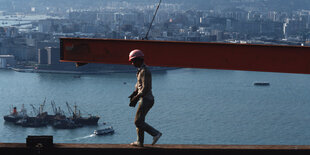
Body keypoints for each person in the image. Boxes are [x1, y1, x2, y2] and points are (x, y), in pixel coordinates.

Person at [128, 49, 162, 147]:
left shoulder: (145, 71)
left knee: (137, 121)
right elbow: (139, 85)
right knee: (140, 121)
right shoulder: (140, 71)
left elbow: (146, 88)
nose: (132, 64)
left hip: (146, 99)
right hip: (145, 99)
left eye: (133, 61)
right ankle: (140, 142)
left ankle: (155, 133)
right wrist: (134, 93)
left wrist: (136, 97)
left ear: (138, 60)